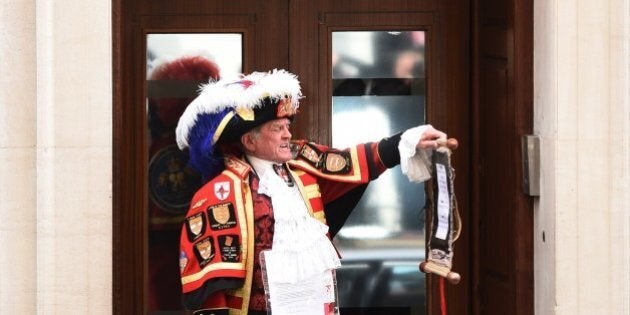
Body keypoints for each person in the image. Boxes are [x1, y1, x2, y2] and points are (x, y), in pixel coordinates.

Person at [175, 69, 446, 314]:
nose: (287, 135)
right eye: (277, 128)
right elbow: (209, 282)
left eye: (287, 127)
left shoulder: (303, 170)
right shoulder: (218, 194)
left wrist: (407, 141)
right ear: (249, 141)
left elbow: (354, 163)